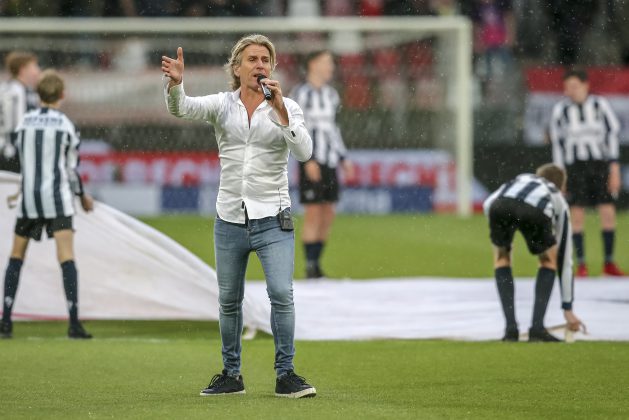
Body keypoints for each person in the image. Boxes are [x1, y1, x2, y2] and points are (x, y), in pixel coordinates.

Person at [162, 34, 316, 398]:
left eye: (265, 59)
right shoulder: (222, 105)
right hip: (229, 217)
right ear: (236, 67)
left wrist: (279, 111)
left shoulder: (288, 107)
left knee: (281, 293)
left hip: (273, 219)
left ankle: (286, 374)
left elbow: (305, 152)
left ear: (273, 67)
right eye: (252, 59)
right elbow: (181, 109)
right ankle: (231, 374)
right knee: (228, 300)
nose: (259, 65)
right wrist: (176, 86)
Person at [0, 70, 94, 339]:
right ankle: (74, 323)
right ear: (62, 95)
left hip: (29, 200)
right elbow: (71, 169)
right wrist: (82, 196)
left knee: (16, 257)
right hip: (57, 199)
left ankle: (6, 321)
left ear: (38, 95)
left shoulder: (24, 124)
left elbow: (19, 158)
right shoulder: (66, 126)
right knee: (66, 257)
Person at [483, 164, 583, 342]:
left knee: (501, 259)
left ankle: (510, 330)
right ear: (562, 186)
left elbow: (488, 203)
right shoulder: (556, 195)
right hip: (535, 211)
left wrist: (501, 239)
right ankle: (537, 329)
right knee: (548, 261)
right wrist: (568, 309)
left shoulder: (520, 178)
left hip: (499, 205)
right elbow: (565, 260)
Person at [549, 69, 624, 277]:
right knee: (577, 212)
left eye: (574, 86)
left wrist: (614, 167)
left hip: (600, 164)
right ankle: (581, 264)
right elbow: (558, 144)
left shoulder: (600, 106)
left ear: (585, 86)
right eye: (567, 88)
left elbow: (612, 135)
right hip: (575, 167)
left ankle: (608, 263)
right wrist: (560, 175)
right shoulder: (561, 110)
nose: (570, 91)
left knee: (607, 210)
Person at [290, 50, 353, 279]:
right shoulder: (300, 94)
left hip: (331, 160)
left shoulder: (332, 95)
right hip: (312, 160)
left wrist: (343, 158)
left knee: (328, 211)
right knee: (314, 211)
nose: (331, 67)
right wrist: (307, 159)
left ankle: (317, 264)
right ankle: (310, 267)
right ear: (312, 64)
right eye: (326, 62)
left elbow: (333, 129)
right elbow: (295, 129)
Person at [0, 51, 41, 173]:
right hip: (11, 153)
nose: (38, 71)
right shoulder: (18, 91)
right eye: (34, 67)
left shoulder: (5, 88)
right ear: (23, 70)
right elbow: (16, 126)